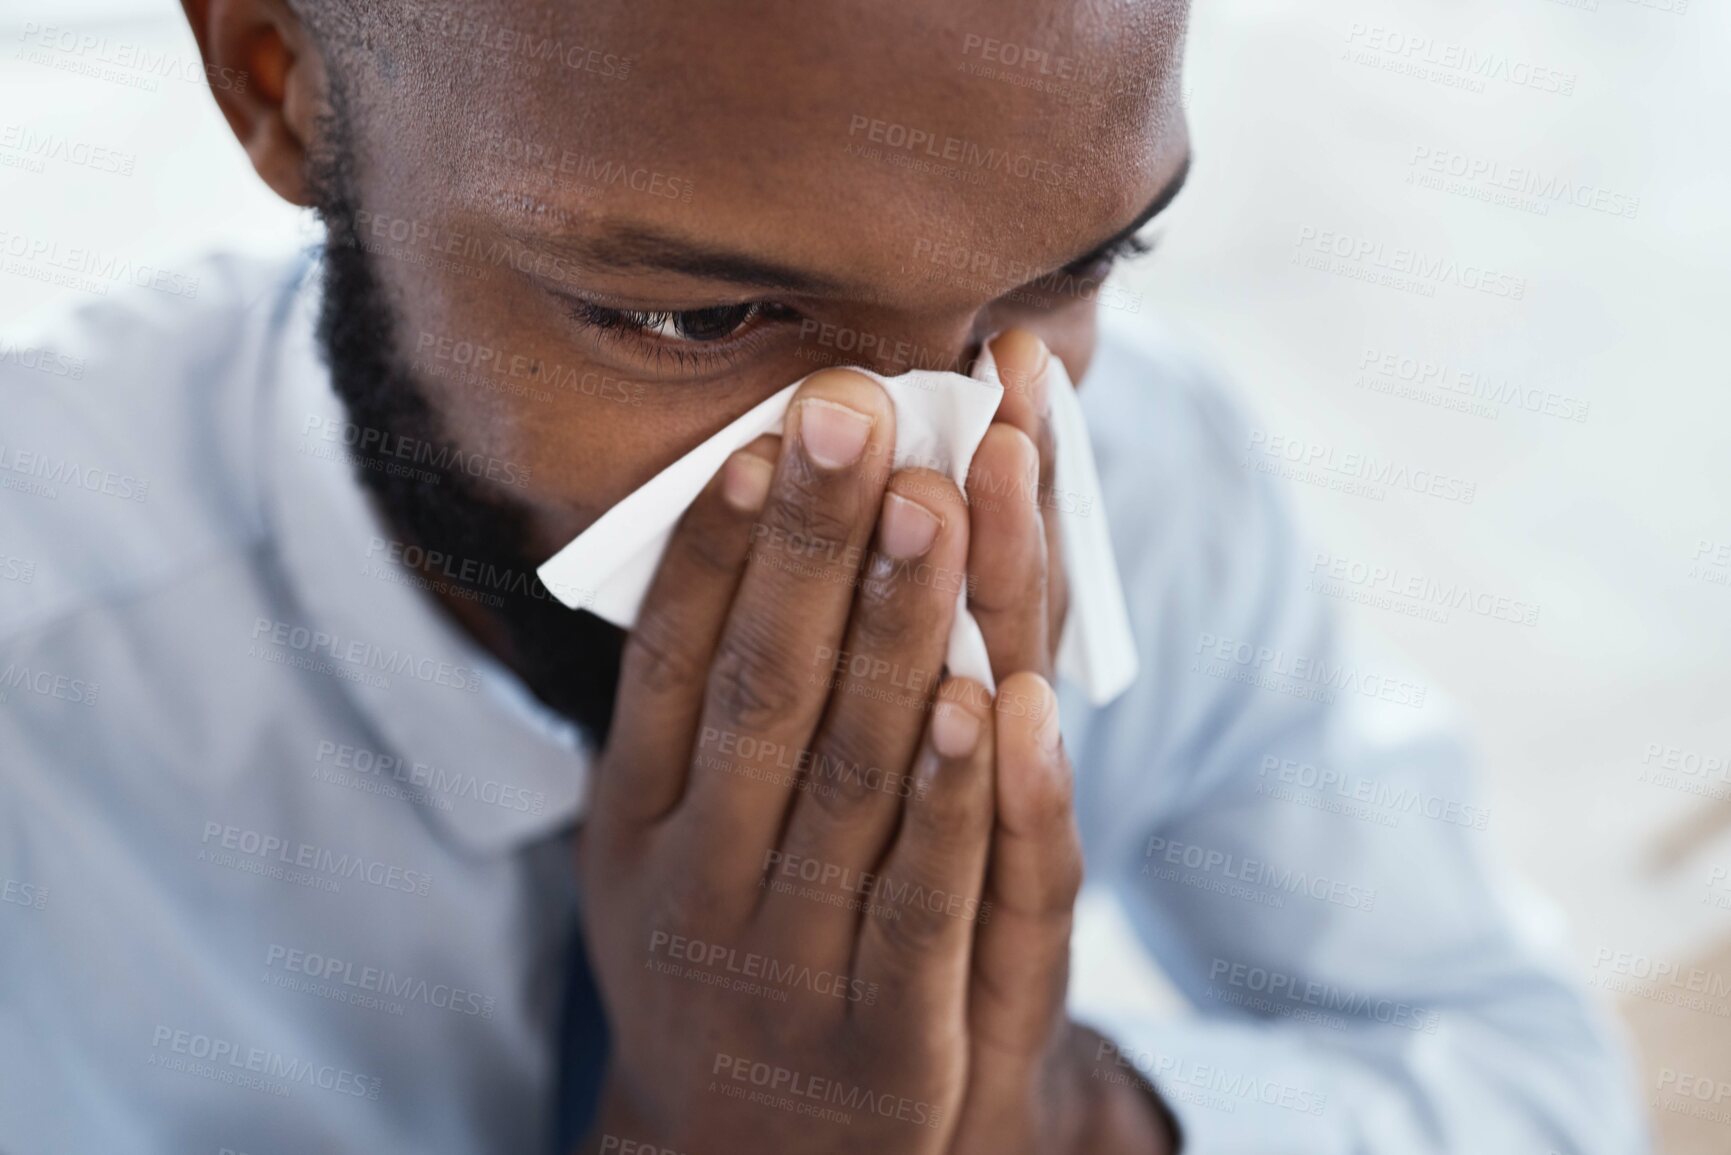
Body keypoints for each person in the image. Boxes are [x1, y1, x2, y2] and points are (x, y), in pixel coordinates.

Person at [0, 0, 1645, 1152]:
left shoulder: (1141, 463)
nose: (913, 485)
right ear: (281, 80)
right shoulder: (47, 675)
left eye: (1077, 270)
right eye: (703, 322)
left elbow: (1534, 1086)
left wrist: (1040, 1119)